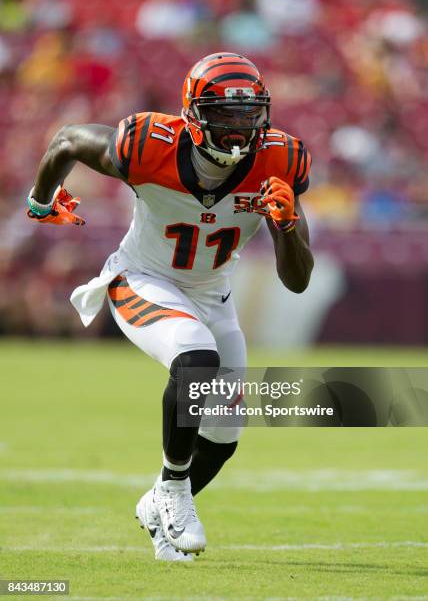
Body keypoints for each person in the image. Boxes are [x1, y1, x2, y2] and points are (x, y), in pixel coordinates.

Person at [27, 52, 314, 562]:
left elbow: (297, 280)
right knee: (196, 358)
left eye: (249, 115)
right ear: (194, 114)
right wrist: (40, 203)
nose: (238, 128)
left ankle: (160, 506)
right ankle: (175, 493)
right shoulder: (146, 146)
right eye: (225, 114)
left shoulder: (280, 162)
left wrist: (286, 226)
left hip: (213, 295)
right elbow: (68, 138)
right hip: (142, 279)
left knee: (223, 436)